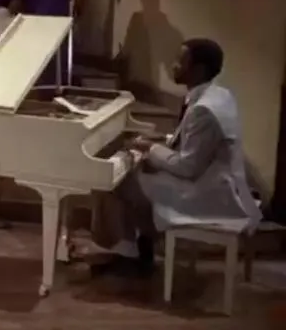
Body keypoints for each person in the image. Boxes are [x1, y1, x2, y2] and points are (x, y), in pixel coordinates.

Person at [93, 39, 262, 277]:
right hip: (218, 179)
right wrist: (160, 142)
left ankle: (129, 252)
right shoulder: (218, 94)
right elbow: (195, 143)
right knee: (135, 174)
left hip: (208, 191)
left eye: (180, 61)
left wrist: (151, 148)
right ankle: (138, 246)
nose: (173, 65)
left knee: (117, 182)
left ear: (199, 70)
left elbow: (188, 167)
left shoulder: (203, 110)